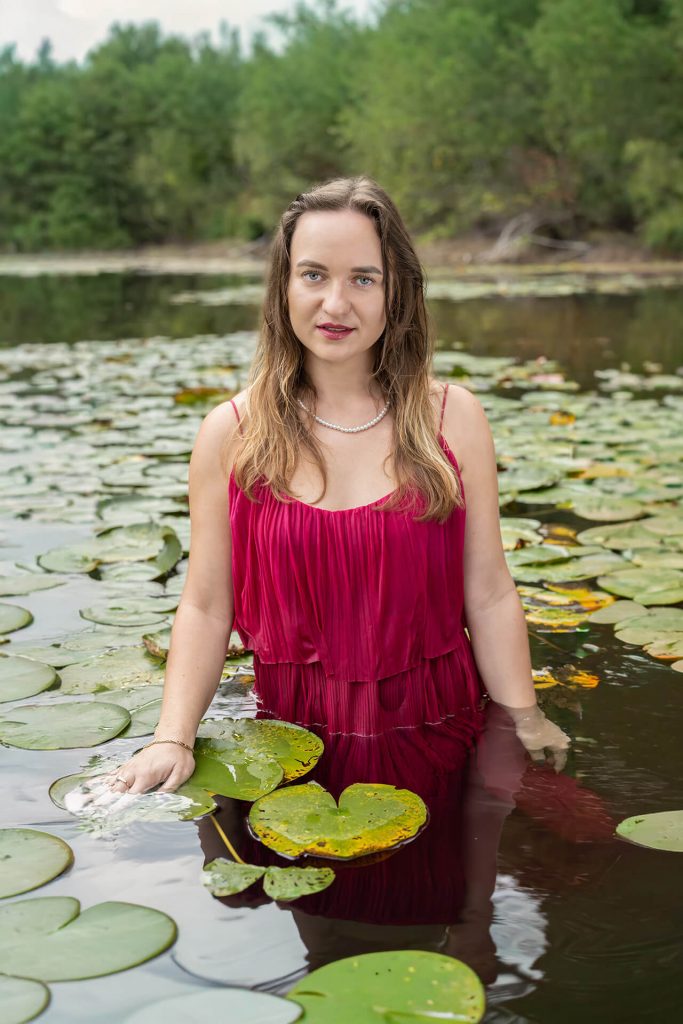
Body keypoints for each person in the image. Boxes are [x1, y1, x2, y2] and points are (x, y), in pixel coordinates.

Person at [103, 175, 569, 798]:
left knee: (469, 891)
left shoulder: (453, 417)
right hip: (290, 743)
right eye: (315, 275)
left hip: (441, 726)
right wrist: (172, 737)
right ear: (284, 287)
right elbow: (207, 606)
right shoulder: (231, 435)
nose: (336, 304)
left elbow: (487, 594)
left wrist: (523, 717)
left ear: (395, 290)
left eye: (363, 278)